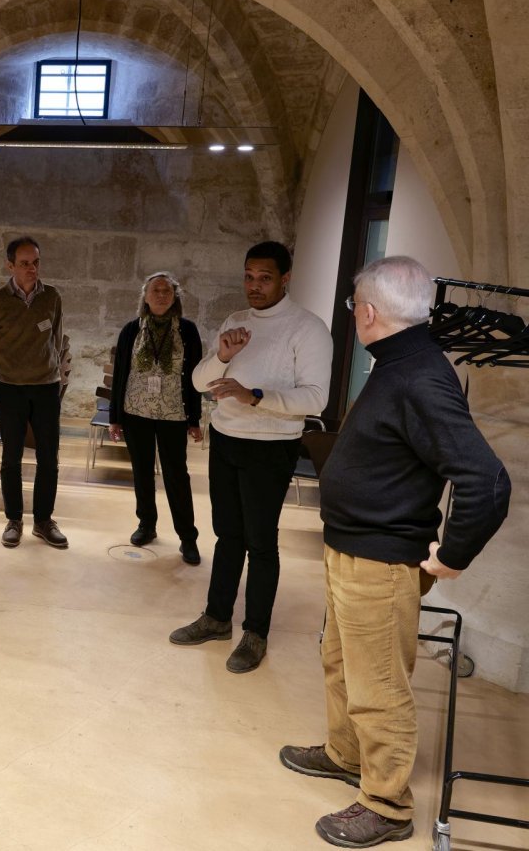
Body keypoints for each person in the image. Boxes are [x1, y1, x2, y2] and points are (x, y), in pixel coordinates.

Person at [279, 257, 509, 848]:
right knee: (341, 662)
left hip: (381, 562)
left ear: (369, 312)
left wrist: (451, 557)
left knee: (379, 685)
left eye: (354, 305)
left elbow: (485, 481)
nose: (353, 313)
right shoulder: (400, 361)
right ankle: (345, 753)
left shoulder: (420, 375)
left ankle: (386, 803)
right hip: (352, 549)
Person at [169, 241, 332, 673]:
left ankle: (255, 633)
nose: (254, 286)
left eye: (264, 278)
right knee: (227, 535)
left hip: (271, 445)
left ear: (285, 279)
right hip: (226, 438)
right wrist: (223, 356)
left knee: (261, 543)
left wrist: (255, 395)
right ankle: (217, 617)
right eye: (249, 276)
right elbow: (200, 379)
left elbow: (316, 398)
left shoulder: (308, 328)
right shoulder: (236, 321)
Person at [109, 272, 204, 564]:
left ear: (174, 297)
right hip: (136, 411)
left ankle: (187, 537)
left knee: (177, 475)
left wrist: (195, 418)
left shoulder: (187, 331)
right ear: (145, 297)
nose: (161, 295)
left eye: (167, 290)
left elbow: (195, 378)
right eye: (155, 290)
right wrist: (115, 417)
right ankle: (146, 524)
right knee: (141, 471)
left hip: (173, 413)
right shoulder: (131, 330)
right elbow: (120, 376)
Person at [0, 236, 68, 549]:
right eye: (25, 263)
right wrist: (6, 376)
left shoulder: (52, 297)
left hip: (45, 387)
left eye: (36, 262)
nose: (32, 269)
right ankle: (14, 519)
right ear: (10, 265)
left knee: (48, 457)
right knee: (11, 456)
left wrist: (49, 369)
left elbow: (56, 339)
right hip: (11, 389)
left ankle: (43, 521)